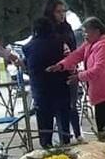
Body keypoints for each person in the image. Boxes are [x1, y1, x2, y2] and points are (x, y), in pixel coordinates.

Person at [47, 17, 105, 133]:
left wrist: (78, 77)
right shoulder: (90, 43)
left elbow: (99, 69)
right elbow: (76, 55)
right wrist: (61, 65)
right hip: (100, 93)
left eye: (86, 32)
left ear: (97, 31)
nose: (84, 35)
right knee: (103, 129)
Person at [23, 19, 71, 147]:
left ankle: (46, 148)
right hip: (61, 86)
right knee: (63, 120)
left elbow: (27, 67)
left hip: (40, 89)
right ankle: (66, 144)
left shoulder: (27, 47)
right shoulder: (60, 42)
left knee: (44, 123)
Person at [43, 0, 82, 142]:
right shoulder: (48, 30)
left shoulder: (67, 27)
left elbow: (74, 48)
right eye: (58, 12)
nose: (61, 15)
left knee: (72, 104)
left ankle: (77, 134)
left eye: (63, 11)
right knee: (60, 108)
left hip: (70, 69)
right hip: (55, 72)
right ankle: (62, 138)